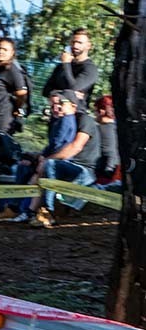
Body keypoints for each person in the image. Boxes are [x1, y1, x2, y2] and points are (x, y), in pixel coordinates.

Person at [19, 90, 100, 228]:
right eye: (52, 106)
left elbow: (75, 147)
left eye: (60, 104)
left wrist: (44, 161)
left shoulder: (84, 120)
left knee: (50, 165)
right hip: (64, 166)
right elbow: (53, 147)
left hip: (84, 171)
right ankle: (19, 210)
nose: (55, 108)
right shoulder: (58, 121)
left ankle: (47, 212)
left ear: (73, 105)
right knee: (24, 165)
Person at [42, 28, 98, 106]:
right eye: (73, 42)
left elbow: (73, 87)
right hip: (56, 114)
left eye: (79, 43)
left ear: (88, 46)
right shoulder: (61, 67)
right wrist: (58, 94)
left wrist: (66, 64)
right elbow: (45, 90)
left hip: (76, 115)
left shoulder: (90, 69)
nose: (75, 46)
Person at [94, 94, 120, 186]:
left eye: (95, 111)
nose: (94, 115)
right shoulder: (118, 129)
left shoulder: (102, 129)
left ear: (101, 111)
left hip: (104, 175)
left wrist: (107, 171)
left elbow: (110, 153)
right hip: (115, 170)